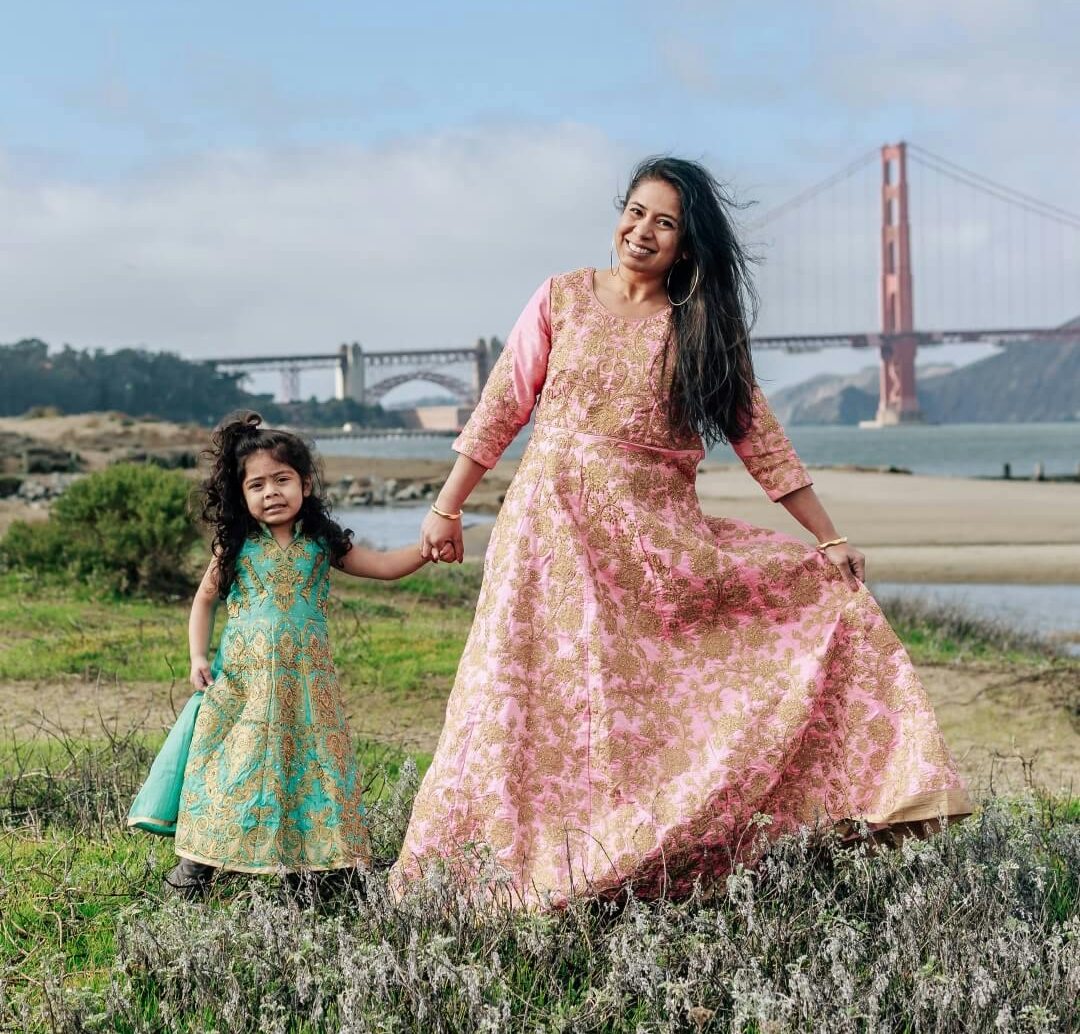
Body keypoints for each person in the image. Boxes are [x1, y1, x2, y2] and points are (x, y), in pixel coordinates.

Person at [390, 156, 971, 907]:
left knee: (642, 707)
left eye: (664, 222)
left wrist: (828, 539)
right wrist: (447, 505)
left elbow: (761, 440)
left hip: (651, 544)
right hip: (548, 536)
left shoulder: (699, 328)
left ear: (687, 245)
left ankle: (632, 858)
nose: (642, 231)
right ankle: (482, 872)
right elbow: (502, 407)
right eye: (635, 212)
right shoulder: (561, 297)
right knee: (522, 694)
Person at [128, 411, 436, 896]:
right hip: (245, 687)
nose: (271, 492)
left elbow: (381, 565)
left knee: (313, 770)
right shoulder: (235, 547)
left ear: (305, 485)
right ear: (242, 495)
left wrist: (428, 547)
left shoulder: (322, 542)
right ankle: (194, 871)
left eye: (282, 480)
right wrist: (197, 656)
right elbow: (204, 600)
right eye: (257, 485)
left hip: (308, 692)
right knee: (231, 769)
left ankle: (330, 871)